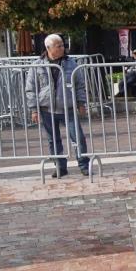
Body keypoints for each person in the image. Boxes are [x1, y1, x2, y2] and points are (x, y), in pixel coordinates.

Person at [25, 34, 90, 178]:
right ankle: (60, 167)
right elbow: (31, 89)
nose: (62, 48)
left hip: (68, 107)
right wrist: (34, 109)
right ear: (48, 48)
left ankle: (84, 165)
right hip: (47, 109)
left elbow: (80, 85)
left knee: (78, 137)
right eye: (58, 46)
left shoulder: (71, 63)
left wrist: (81, 103)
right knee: (53, 140)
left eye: (62, 45)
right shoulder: (37, 65)